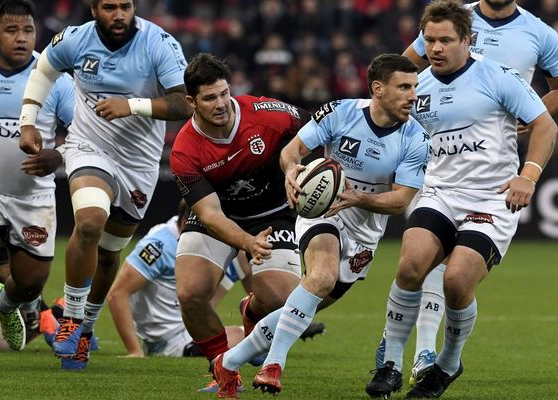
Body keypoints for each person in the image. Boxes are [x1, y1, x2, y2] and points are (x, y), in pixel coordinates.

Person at [366, 1, 557, 398]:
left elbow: (545, 125)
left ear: (467, 40)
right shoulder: (417, 89)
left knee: (456, 281)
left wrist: (529, 175)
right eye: (430, 40)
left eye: (445, 40)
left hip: (491, 199)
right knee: (411, 266)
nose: (435, 48)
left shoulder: (499, 76)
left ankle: (447, 364)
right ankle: (390, 363)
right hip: (439, 192)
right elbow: (388, 128)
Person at [212, 53, 431, 398]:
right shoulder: (340, 112)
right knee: (321, 276)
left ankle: (229, 362)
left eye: (415, 87)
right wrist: (291, 171)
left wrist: (359, 198)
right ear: (378, 89)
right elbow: (293, 150)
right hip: (322, 212)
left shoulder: (415, 138)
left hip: (365, 232)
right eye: (404, 87)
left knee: (304, 304)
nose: (413, 95)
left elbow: (401, 199)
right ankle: (274, 365)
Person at [18, 0, 191, 370]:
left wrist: (133, 105)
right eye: (109, 7)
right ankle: (71, 320)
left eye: (125, 6)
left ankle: (85, 328)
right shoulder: (76, 39)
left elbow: (184, 103)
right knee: (90, 222)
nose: (119, 15)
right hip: (88, 147)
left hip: (139, 163)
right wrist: (28, 120)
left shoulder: (158, 42)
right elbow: (44, 70)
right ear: (93, 8)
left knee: (111, 252)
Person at [169, 53, 311, 378]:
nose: (220, 104)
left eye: (224, 93)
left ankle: (252, 310)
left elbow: (315, 129)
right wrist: (247, 243)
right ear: (191, 101)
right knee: (190, 294)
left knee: (281, 303)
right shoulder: (185, 150)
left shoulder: (267, 114)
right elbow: (209, 213)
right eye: (209, 98)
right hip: (220, 216)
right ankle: (224, 370)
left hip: (273, 213)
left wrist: (301, 168)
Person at [0, 0, 74, 370]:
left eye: (27, 31)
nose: (21, 38)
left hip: (33, 196)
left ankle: (8, 306)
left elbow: (85, 135)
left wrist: (58, 156)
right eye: (11, 30)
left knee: (30, 284)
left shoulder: (54, 77)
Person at [106, 200, 247, 359]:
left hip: (185, 316)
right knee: (246, 337)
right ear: (186, 222)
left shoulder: (184, 229)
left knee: (244, 256)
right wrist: (134, 351)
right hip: (171, 340)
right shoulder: (158, 246)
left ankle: (254, 314)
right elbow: (117, 294)